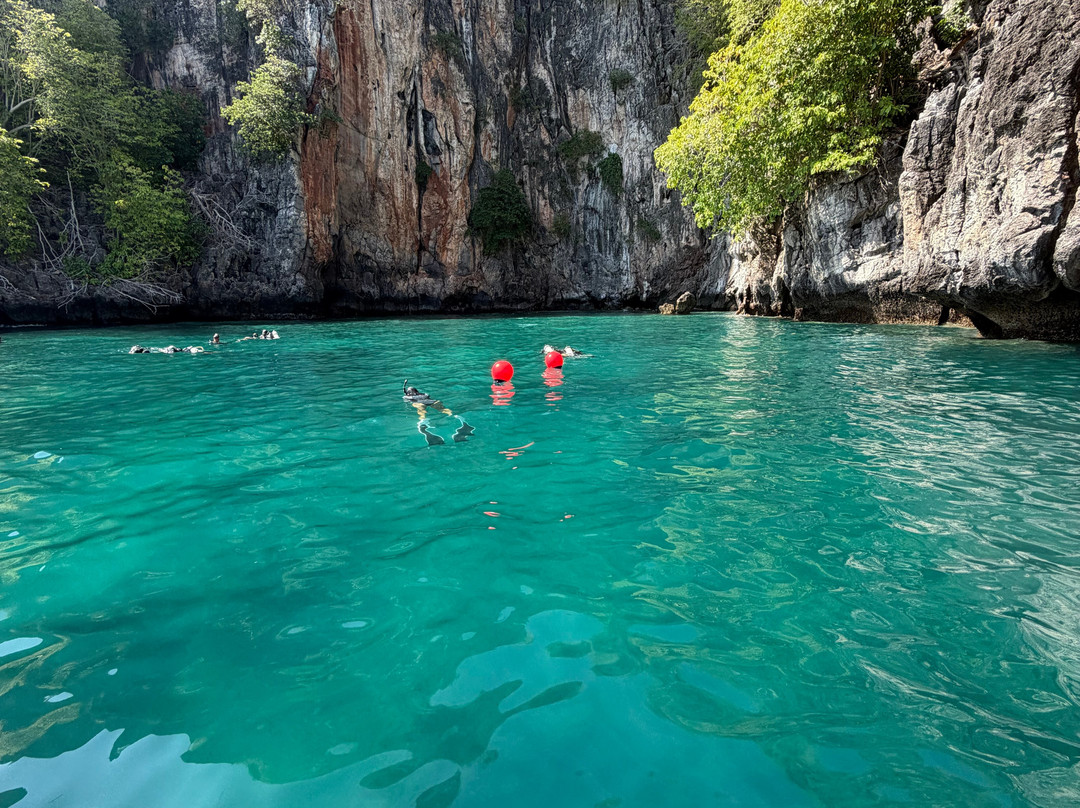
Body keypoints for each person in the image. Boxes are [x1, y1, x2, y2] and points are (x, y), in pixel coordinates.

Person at [403, 380, 473, 446]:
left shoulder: (408, 396)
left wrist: (406, 394)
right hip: (433, 401)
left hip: (420, 403)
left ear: (408, 393)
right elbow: (427, 395)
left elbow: (406, 398)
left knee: (421, 412)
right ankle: (454, 415)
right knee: (443, 409)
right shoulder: (424, 394)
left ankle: (423, 420)